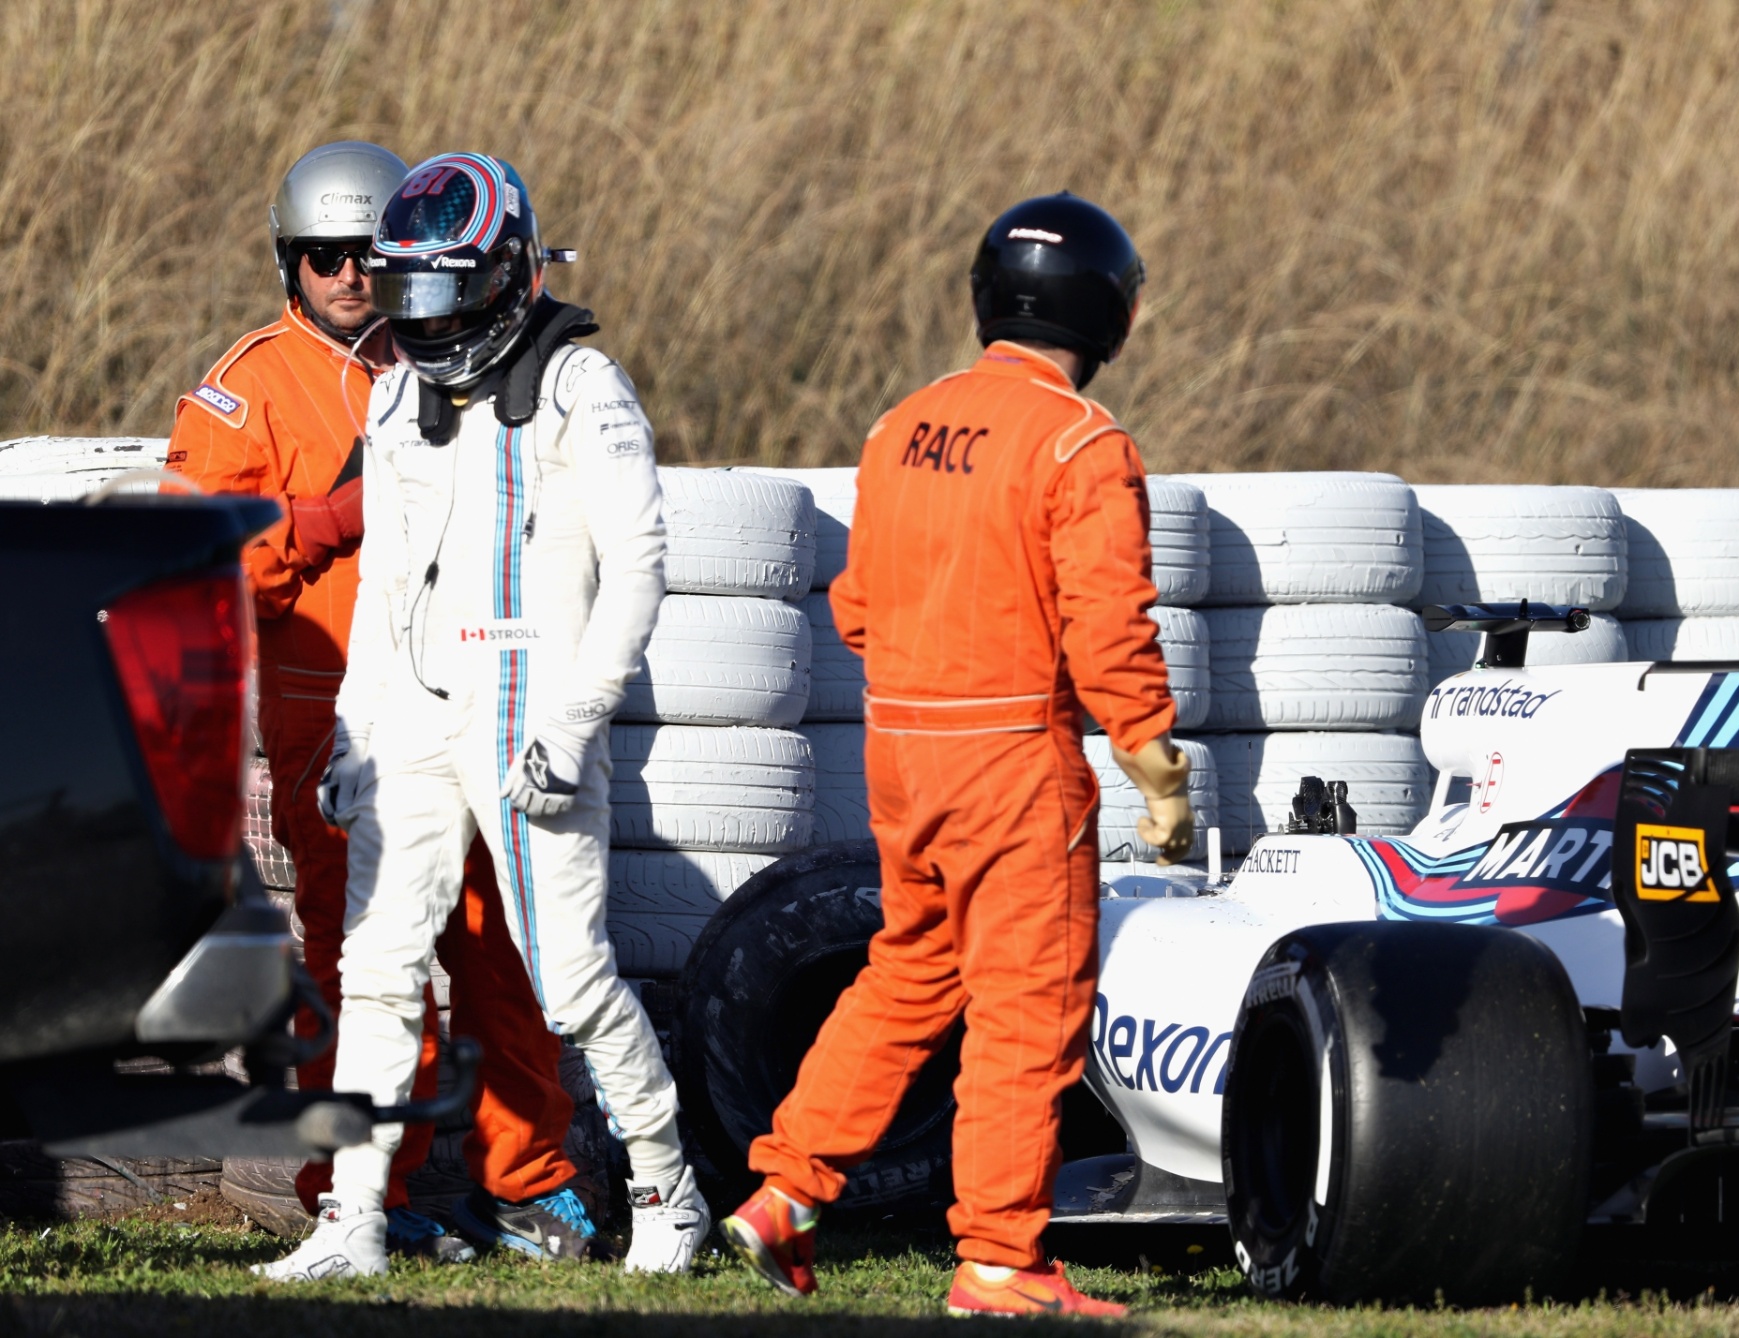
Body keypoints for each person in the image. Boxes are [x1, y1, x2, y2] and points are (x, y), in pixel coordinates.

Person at [721, 193, 1192, 1318]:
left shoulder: (902, 425)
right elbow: (1108, 620)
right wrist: (1152, 762)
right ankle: (1001, 1262)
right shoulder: (1082, 442)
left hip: (904, 748)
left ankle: (785, 1191)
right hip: (1014, 755)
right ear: (1107, 311)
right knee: (1029, 1008)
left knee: (912, 972)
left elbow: (859, 606)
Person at [256, 151, 705, 1282]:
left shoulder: (581, 386)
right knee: (374, 965)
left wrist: (580, 713)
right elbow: (392, 576)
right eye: (408, 292)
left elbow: (642, 563)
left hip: (531, 713)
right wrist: (359, 721)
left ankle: (670, 1193)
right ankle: (353, 1219)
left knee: (569, 980)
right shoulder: (403, 388)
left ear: (503, 276)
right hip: (413, 709)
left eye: (442, 292)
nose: (422, 316)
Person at [170, 141, 592, 1272]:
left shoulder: (477, 349)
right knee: (366, 960)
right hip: (339, 718)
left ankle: (529, 1189)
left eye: (366, 252)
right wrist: (330, 519)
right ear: (286, 261)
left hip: (486, 695)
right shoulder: (247, 386)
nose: (349, 276)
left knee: (508, 944)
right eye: (322, 256)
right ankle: (361, 1196)